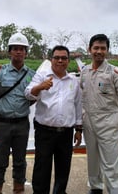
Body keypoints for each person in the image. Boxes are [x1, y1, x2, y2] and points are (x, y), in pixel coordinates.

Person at [80, 34, 118, 194]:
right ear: (89, 50)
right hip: (89, 123)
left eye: (103, 48)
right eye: (96, 48)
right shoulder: (84, 72)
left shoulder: (115, 72)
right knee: (92, 161)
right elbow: (81, 97)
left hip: (109, 125)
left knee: (113, 166)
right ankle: (95, 187)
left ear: (107, 50)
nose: (99, 51)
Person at [0, 32, 35, 194]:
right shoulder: (1, 71)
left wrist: (22, 106)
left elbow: (34, 96)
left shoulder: (31, 75)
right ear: (10, 51)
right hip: (2, 124)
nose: (18, 52)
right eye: (15, 49)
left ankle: (18, 190)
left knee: (20, 161)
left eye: (22, 49)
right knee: (0, 161)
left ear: (26, 52)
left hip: (21, 124)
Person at [24, 45, 83, 194]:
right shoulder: (42, 76)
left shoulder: (73, 81)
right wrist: (40, 87)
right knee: (42, 168)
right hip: (45, 132)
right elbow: (28, 93)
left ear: (68, 61)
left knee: (63, 168)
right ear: (51, 59)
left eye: (64, 58)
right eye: (57, 57)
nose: (60, 61)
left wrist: (79, 129)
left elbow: (77, 106)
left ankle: (60, 192)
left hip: (66, 132)